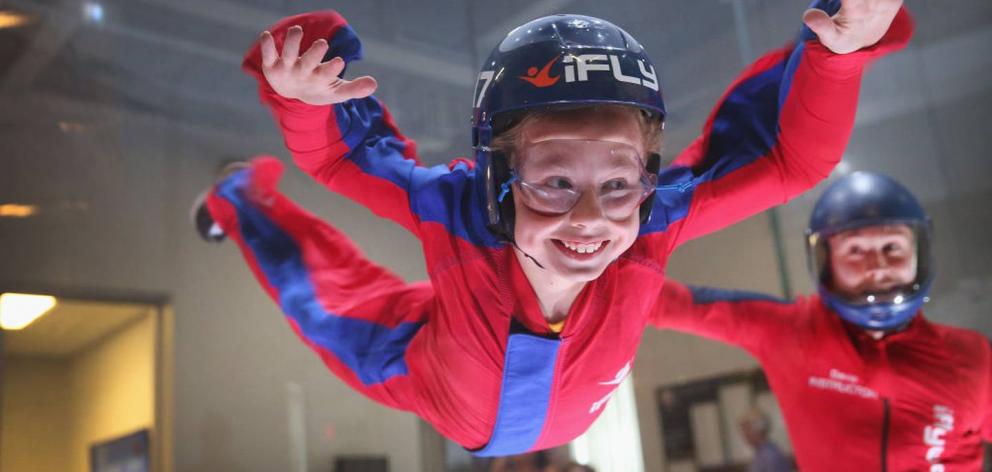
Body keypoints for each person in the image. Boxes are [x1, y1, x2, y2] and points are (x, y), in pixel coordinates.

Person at [196, 1, 912, 456]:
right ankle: (239, 198)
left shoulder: (651, 216)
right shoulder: (462, 210)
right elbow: (347, 156)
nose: (590, 218)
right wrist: (301, 98)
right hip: (432, 376)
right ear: (496, 176)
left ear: (645, 175)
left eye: (617, 182)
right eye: (555, 181)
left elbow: (782, 157)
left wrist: (837, 56)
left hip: (522, 407)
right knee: (324, 302)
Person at [653, 171, 992, 470]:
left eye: (892, 247)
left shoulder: (969, 356)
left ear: (919, 253)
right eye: (855, 250)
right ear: (827, 261)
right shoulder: (790, 333)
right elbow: (665, 304)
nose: (876, 265)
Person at [738, 407, 791, 472]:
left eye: (747, 429)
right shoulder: (761, 453)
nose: (744, 434)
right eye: (743, 430)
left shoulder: (769, 455)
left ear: (759, 430)